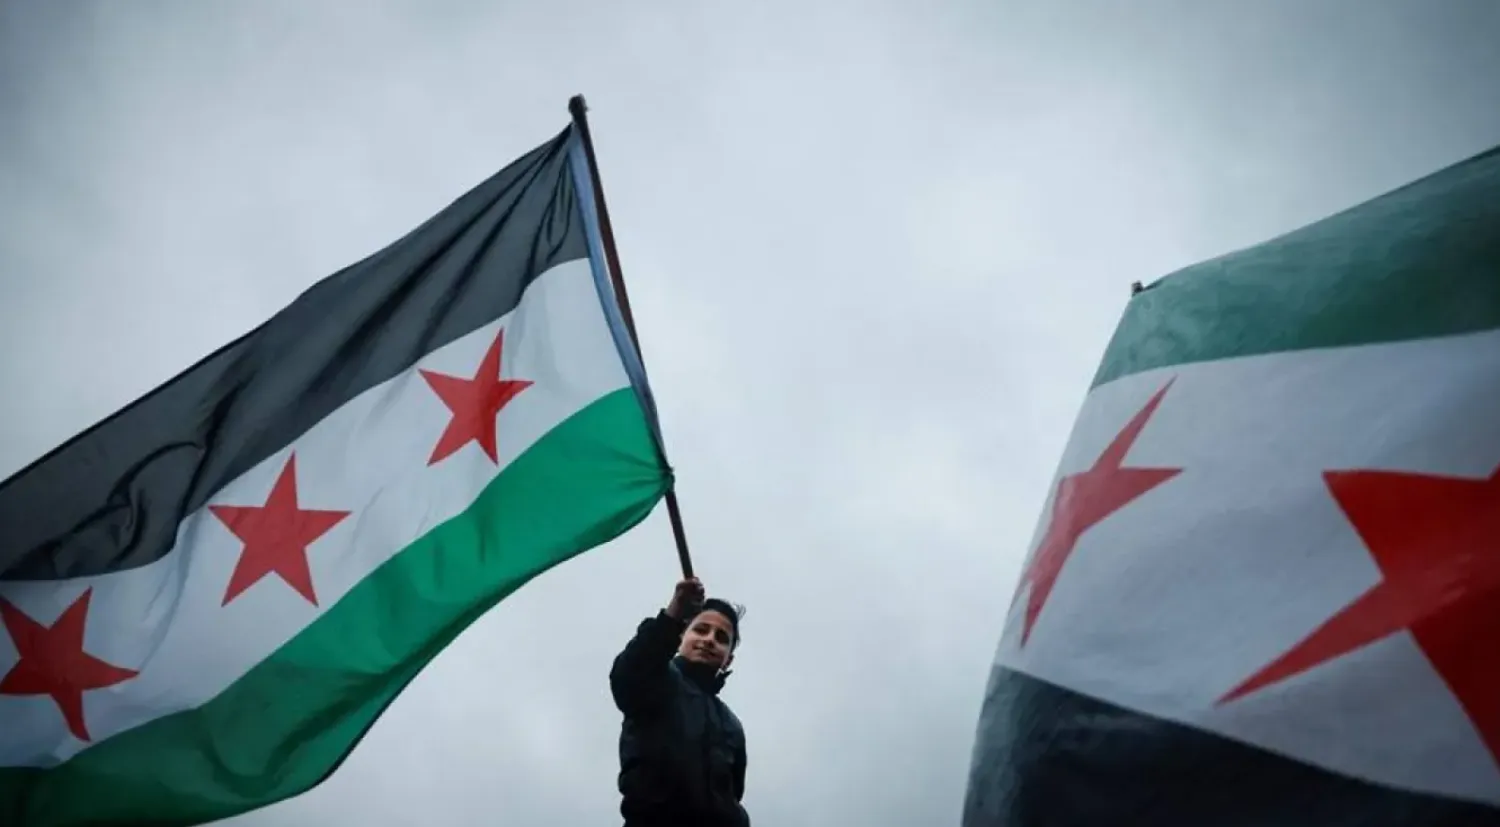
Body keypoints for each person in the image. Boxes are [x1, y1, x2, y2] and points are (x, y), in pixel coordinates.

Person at [610, 576, 750, 827]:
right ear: (682, 635)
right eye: (701, 629)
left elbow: (733, 794)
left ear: (728, 659)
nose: (710, 639)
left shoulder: (732, 726)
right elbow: (629, 674)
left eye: (721, 638)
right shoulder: (658, 679)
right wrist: (673, 614)